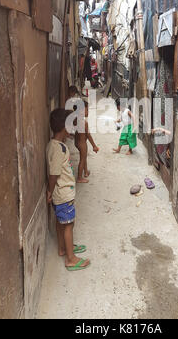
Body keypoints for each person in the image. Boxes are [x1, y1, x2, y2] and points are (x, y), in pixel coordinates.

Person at [46, 108, 90, 271]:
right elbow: (54, 173)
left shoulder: (52, 145)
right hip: (63, 193)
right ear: (64, 127)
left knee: (60, 221)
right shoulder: (60, 149)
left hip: (59, 193)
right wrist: (50, 191)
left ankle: (63, 248)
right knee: (69, 224)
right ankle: (70, 259)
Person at [75, 101, 99, 183]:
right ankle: (79, 177)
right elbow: (88, 135)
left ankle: (85, 172)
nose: (88, 112)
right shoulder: (84, 123)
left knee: (83, 157)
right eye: (87, 110)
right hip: (82, 143)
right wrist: (94, 146)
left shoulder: (76, 119)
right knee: (82, 159)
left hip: (77, 142)